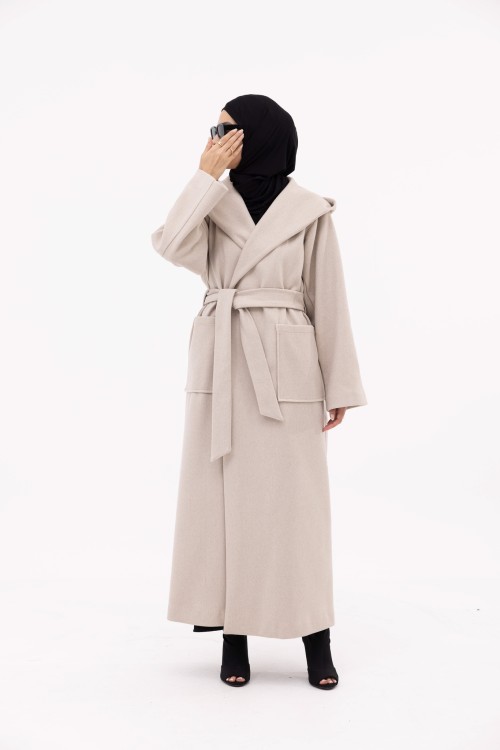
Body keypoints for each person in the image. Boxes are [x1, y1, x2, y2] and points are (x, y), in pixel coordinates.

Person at [151, 94, 367, 689]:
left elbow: (329, 296)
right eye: (213, 129)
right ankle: (234, 639)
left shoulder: (309, 211)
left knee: (297, 509)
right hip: (221, 361)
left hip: (287, 365)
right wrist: (203, 177)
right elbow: (169, 246)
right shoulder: (210, 202)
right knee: (224, 508)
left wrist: (339, 382)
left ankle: (316, 638)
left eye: (225, 128)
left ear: (260, 135)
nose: (215, 137)